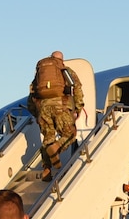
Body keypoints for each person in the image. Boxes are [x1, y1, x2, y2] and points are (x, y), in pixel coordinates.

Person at [27, 51, 86, 181]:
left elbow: (31, 96)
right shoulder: (65, 70)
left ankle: (46, 170)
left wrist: (37, 114)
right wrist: (78, 107)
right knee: (70, 134)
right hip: (61, 106)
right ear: (61, 60)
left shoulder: (39, 75)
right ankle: (57, 147)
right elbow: (77, 88)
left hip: (43, 109)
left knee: (48, 139)